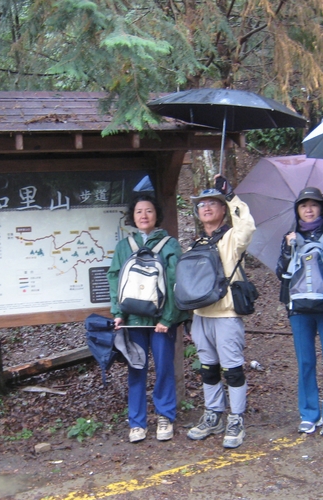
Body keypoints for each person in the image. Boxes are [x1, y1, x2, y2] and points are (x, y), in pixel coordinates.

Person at [107, 195, 187, 443]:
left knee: (164, 368)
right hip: (133, 320)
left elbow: (176, 282)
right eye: (139, 211)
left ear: (156, 215)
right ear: (132, 216)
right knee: (136, 369)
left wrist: (169, 318)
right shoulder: (123, 247)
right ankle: (137, 422)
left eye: (149, 211)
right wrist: (118, 314)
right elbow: (114, 279)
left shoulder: (169, 244)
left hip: (160, 321)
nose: (143, 215)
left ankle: (165, 416)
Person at [185, 175, 256, 449]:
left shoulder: (232, 238)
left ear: (222, 209)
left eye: (212, 203)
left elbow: (247, 227)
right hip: (201, 315)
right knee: (208, 369)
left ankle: (236, 418)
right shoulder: (195, 244)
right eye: (201, 204)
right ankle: (213, 414)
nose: (206, 207)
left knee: (233, 370)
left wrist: (231, 196)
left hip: (226, 314)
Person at [275, 187, 323, 437]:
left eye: (313, 204)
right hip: (299, 308)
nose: (308, 209)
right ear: (297, 210)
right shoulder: (290, 236)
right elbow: (280, 273)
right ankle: (309, 413)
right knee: (305, 361)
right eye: (303, 205)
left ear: (322, 208)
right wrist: (287, 249)